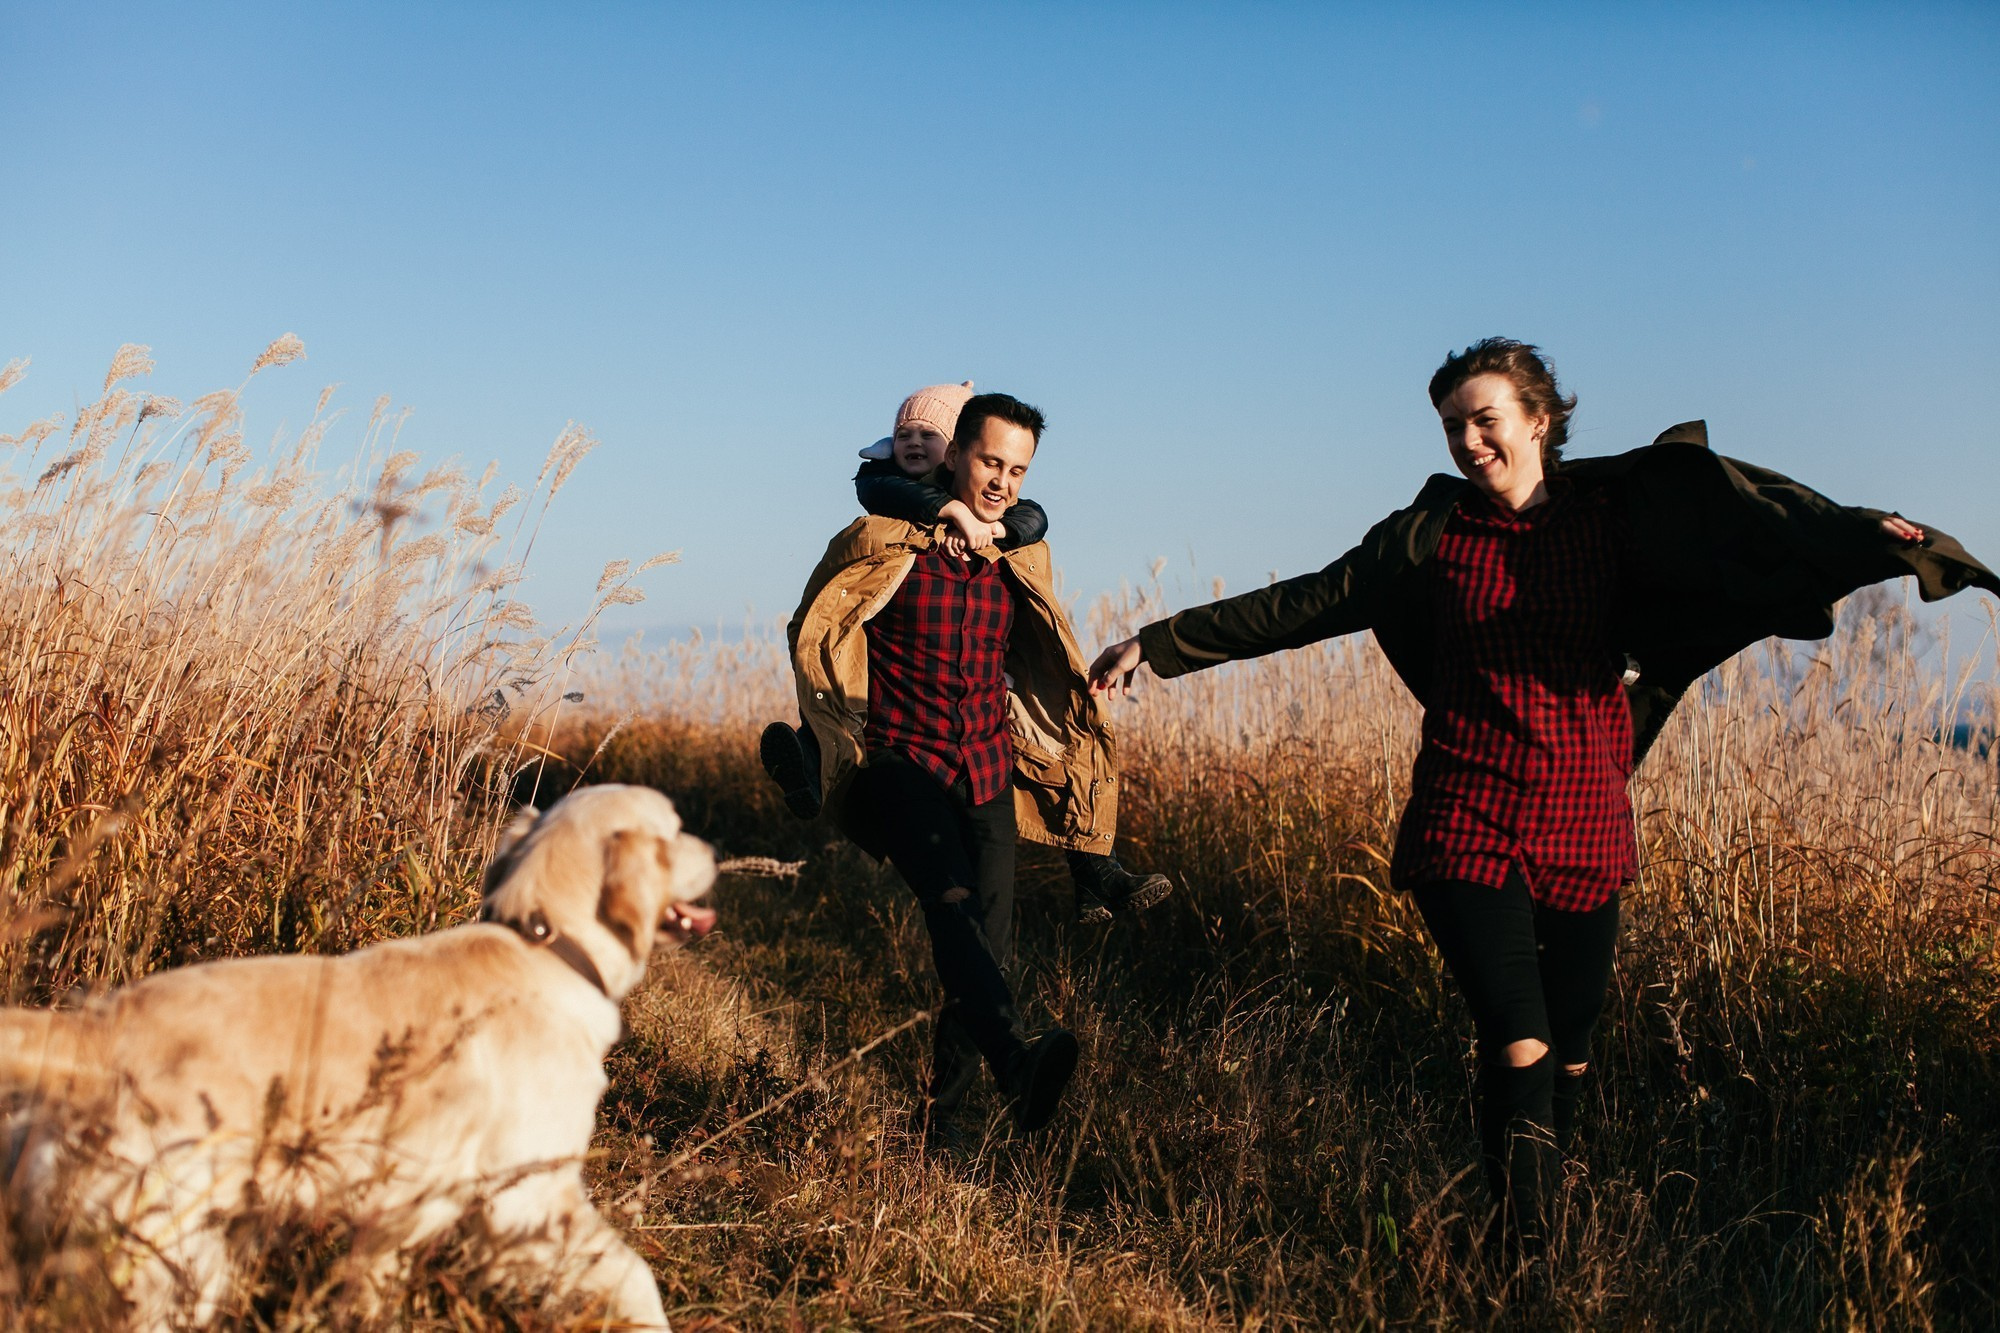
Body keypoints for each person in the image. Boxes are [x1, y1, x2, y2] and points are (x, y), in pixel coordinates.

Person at [1089, 338, 1999, 1257]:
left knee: (1570, 1044)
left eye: (1485, 419)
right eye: (1453, 427)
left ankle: (1552, 1195)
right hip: (1467, 809)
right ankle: (1525, 1258)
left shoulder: (1613, 520)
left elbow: (1768, 530)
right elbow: (1307, 602)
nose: (1469, 442)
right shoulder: (1430, 535)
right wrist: (1158, 644)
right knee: (1516, 1035)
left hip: (1583, 811)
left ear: (1539, 418)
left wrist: (1874, 535)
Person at [786, 392, 1122, 1142]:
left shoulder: (1016, 554)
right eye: (990, 461)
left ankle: (946, 1124)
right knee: (950, 902)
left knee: (987, 945)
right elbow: (818, 622)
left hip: (986, 767)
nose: (1002, 479)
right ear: (955, 455)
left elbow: (1043, 645)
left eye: (1018, 468)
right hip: (902, 760)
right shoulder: (884, 540)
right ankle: (1013, 1062)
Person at [762, 382, 1170, 923]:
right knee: (834, 682)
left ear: (949, 444)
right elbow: (870, 509)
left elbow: (1034, 517)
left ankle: (1093, 866)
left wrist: (989, 526)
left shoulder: (1013, 537)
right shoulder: (883, 500)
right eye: (904, 433)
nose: (913, 443)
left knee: (1070, 746)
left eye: (927, 434)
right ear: (958, 457)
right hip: (905, 749)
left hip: (985, 752)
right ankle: (815, 759)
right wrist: (950, 511)